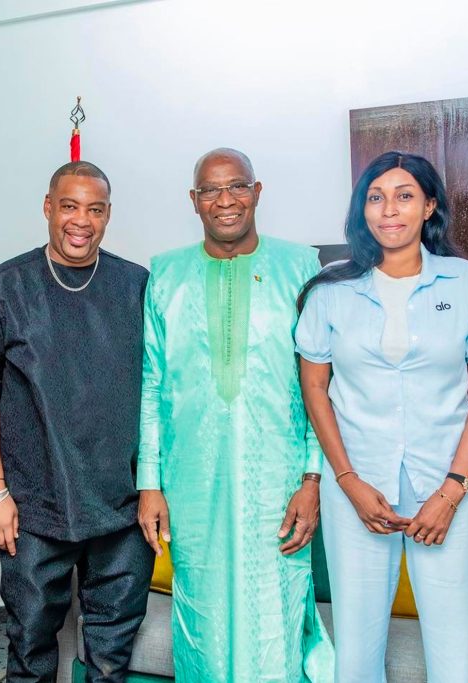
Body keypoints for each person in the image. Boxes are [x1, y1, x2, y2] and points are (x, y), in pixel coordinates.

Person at [295, 151, 468, 682]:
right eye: (376, 197)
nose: (389, 209)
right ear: (362, 209)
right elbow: (315, 390)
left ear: (429, 206)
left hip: (450, 487)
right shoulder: (331, 289)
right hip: (358, 490)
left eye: (404, 195)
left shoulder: (465, 281)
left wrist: (451, 491)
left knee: (455, 660)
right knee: (356, 657)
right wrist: (347, 480)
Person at [0, 161, 154, 682]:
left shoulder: (136, 286)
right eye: (69, 206)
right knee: (31, 646)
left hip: (122, 506)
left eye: (95, 209)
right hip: (33, 505)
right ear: (48, 207)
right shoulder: (3, 288)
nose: (81, 220)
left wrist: (154, 485)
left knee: (111, 655)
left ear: (108, 215)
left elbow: (159, 391)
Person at [136, 148, 335, 681]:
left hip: (278, 484)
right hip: (192, 486)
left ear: (257, 191)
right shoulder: (165, 273)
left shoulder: (301, 266)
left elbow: (319, 384)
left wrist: (312, 478)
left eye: (237, 186)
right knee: (202, 622)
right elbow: (152, 383)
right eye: (210, 190)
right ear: (194, 200)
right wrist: (149, 483)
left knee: (277, 618)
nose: (225, 200)